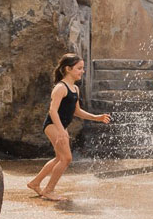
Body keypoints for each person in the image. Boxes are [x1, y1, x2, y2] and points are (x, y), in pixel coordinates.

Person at [27, 53, 111, 201]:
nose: (82, 71)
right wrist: (60, 131)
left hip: (60, 126)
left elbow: (77, 111)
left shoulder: (75, 89)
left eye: (82, 68)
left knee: (59, 158)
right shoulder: (60, 88)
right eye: (79, 68)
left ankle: (35, 183)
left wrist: (95, 117)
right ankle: (49, 190)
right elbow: (52, 111)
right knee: (66, 158)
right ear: (68, 69)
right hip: (52, 125)